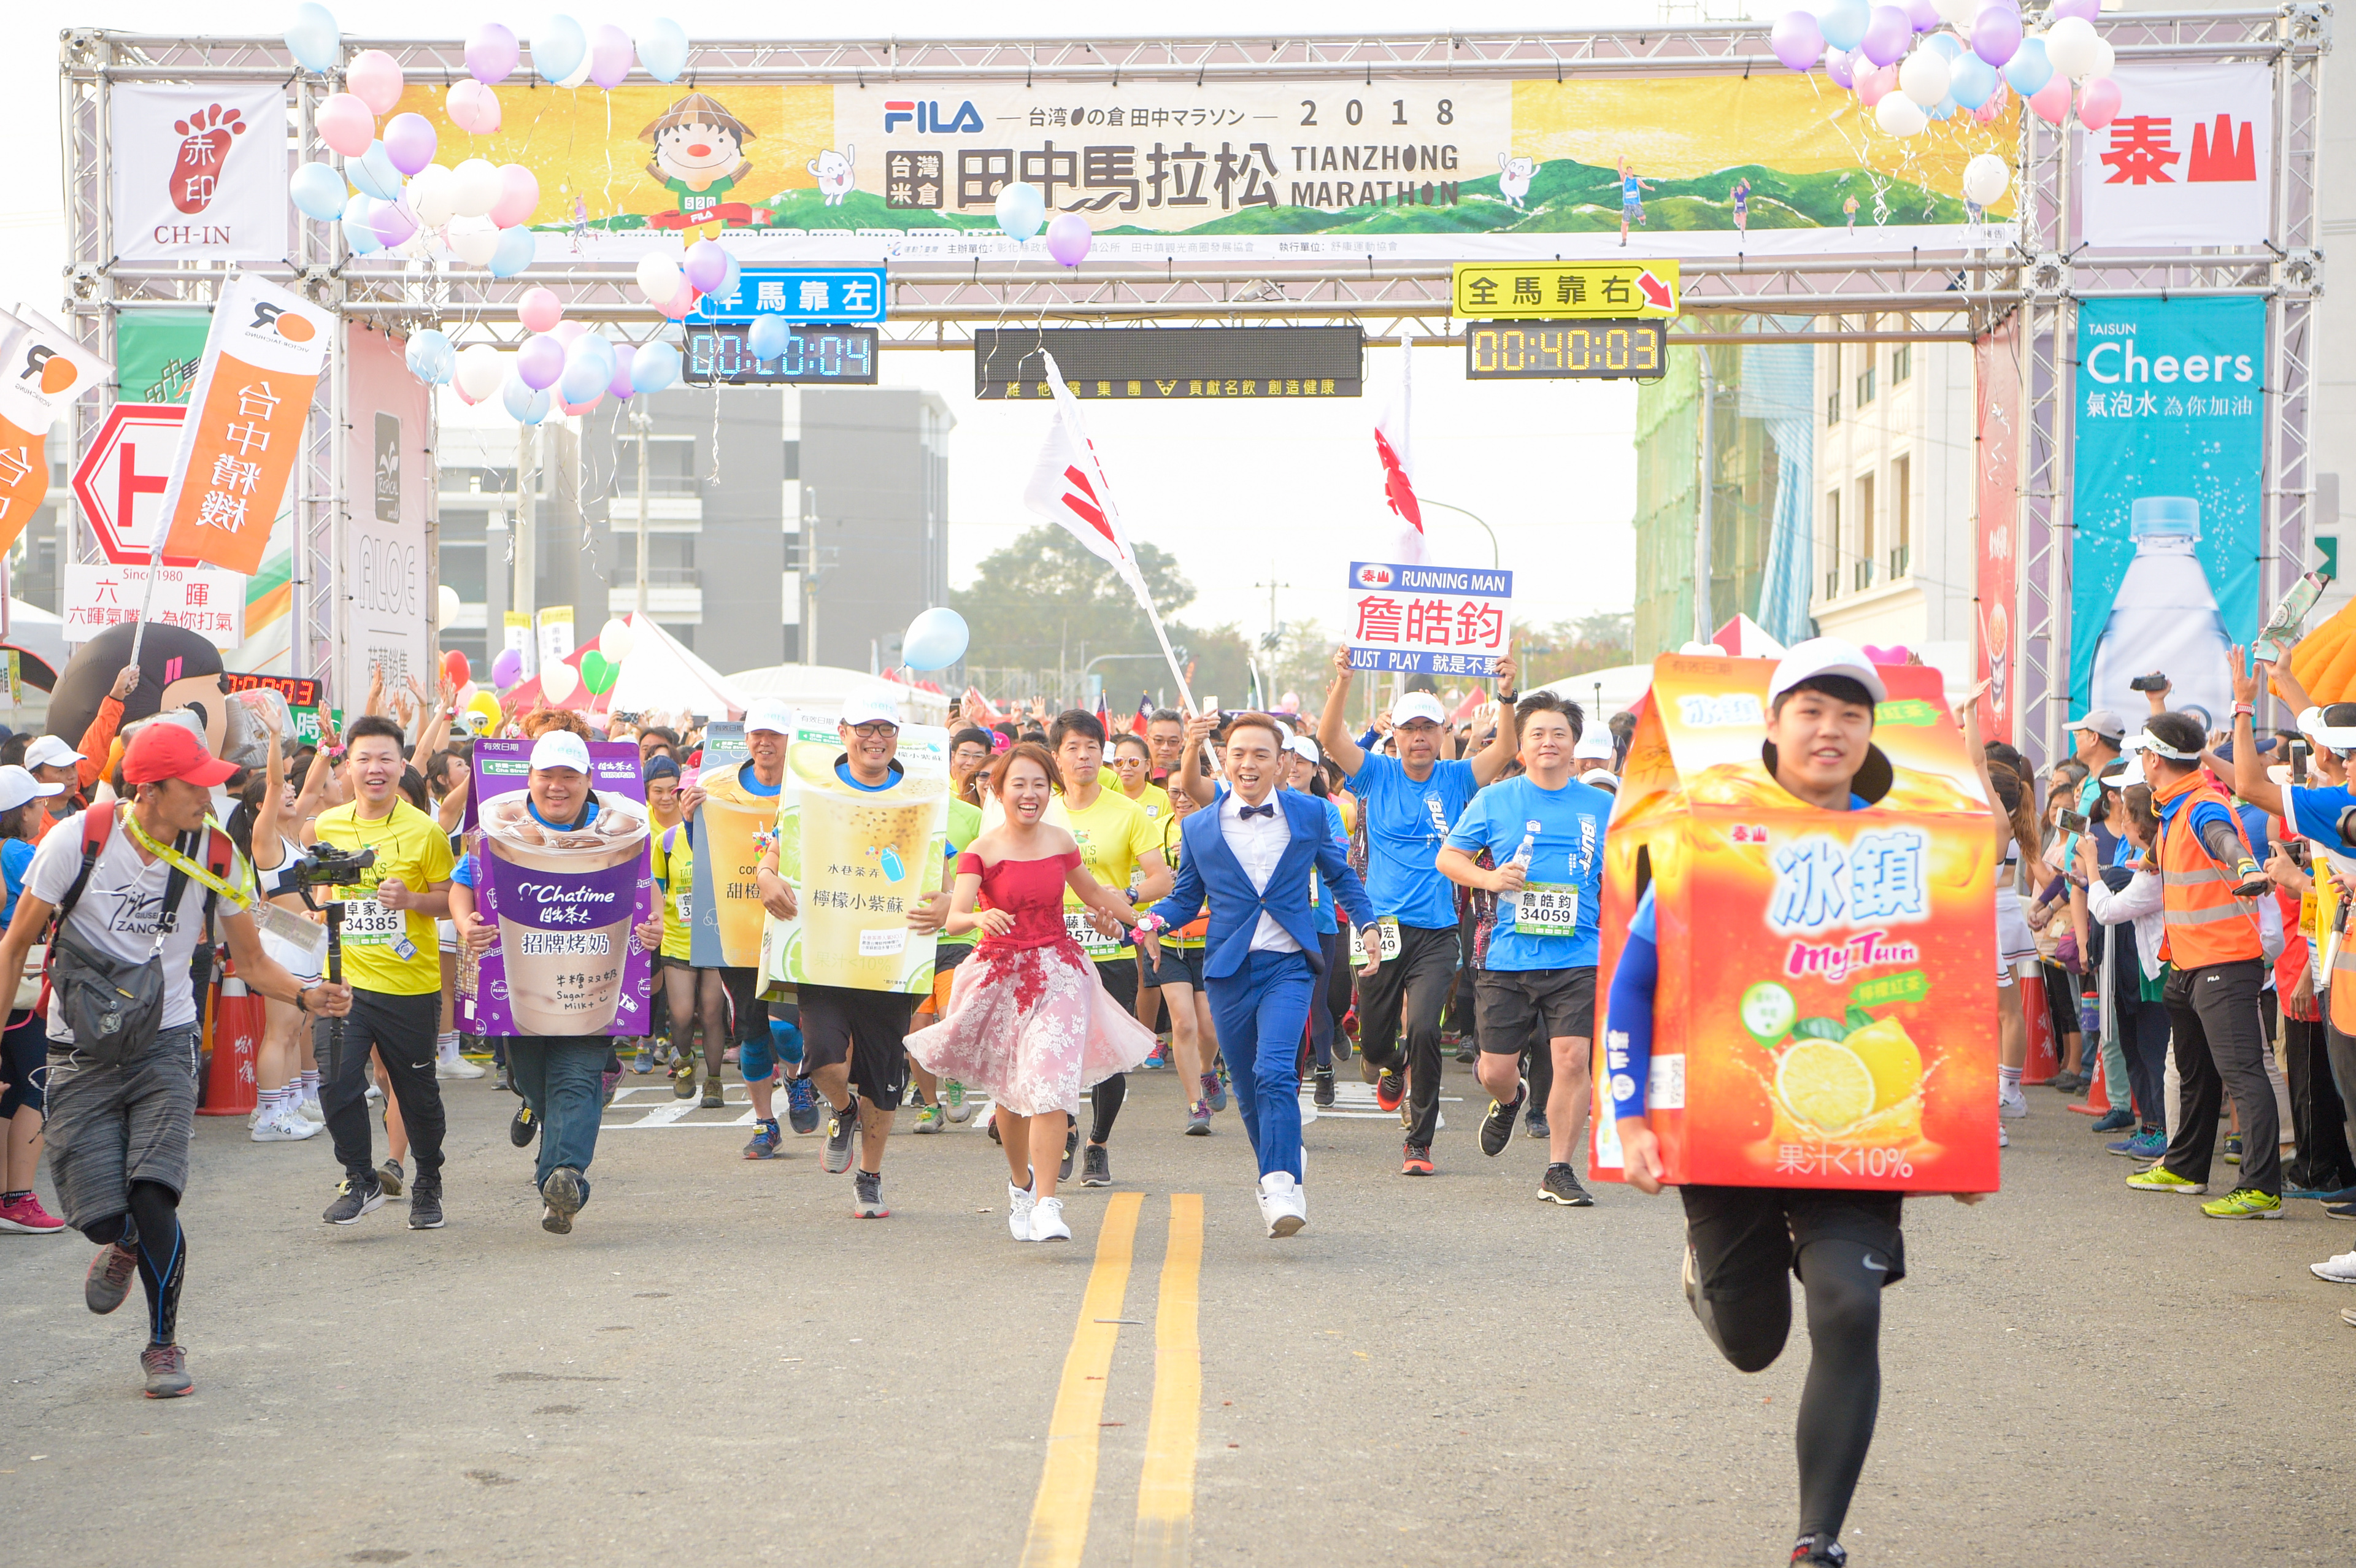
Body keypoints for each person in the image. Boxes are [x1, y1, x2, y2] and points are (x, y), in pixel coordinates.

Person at [1608, 640, 1982, 1568]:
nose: (1831, 729)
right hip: (1732, 1124)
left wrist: (1969, 1138)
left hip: (1856, 1132)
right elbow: (1632, 981)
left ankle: (1818, 1539)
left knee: (1850, 1309)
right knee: (1752, 1345)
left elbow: (1958, 990)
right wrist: (1628, 1116)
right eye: (1810, 711)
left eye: (1851, 714)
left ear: (1869, 732)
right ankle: (1710, 1264)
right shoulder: (1708, 833)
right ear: (1771, 726)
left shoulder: (1918, 846)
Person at [0, 722, 350, 1396]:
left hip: (167, 1038)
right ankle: (121, 1239)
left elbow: (250, 960)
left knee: (154, 1193)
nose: (212, 796)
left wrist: (309, 993)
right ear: (151, 789)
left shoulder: (215, 853)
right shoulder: (76, 840)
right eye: (198, 786)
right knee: (99, 1213)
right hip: (78, 1044)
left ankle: (163, 1344)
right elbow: (16, 943)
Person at [906, 743, 1161, 1242]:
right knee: (1011, 1091)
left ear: (1052, 790)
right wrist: (978, 916)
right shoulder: (981, 852)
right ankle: (1020, 1185)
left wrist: (1144, 925)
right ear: (998, 792)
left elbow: (1095, 895)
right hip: (1000, 977)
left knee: (1050, 1083)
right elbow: (956, 916)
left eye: (1040, 785)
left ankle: (1048, 1202)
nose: (1030, 794)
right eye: (1018, 785)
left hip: (1059, 972)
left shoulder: (1061, 842)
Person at [1141, 714, 1379, 1237]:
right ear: (1224, 760)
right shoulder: (1199, 826)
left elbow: (1341, 875)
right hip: (1228, 970)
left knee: (1276, 1073)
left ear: (1284, 763)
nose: (1249, 764)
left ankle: (1280, 1184)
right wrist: (1152, 922)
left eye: (1261, 755)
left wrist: (1367, 925)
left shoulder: (1312, 814)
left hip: (1290, 965)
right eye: (1239, 754)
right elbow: (1186, 899)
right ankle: (1279, 1160)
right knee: (1247, 1090)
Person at [451, 730, 664, 1235]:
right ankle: (539, 1123)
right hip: (520, 988)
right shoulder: (501, 825)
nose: (557, 786)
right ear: (530, 778)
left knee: (575, 1079)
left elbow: (647, 885)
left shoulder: (621, 827)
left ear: (588, 780)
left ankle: (564, 1181)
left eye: (569, 776)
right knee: (532, 1081)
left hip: (594, 983)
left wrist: (653, 924)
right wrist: (465, 926)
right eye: (547, 775)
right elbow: (465, 882)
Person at [1315, 646, 1519, 1175]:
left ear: (1444, 732)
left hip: (1437, 932)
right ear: (1396, 736)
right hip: (1379, 930)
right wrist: (1343, 680)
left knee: (1427, 1028)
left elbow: (1504, 752)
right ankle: (1386, 1063)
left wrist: (1506, 695)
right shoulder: (1377, 773)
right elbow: (1330, 740)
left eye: (1430, 727)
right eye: (1411, 729)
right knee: (1380, 1042)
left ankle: (1419, 1143)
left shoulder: (1456, 779)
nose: (1420, 737)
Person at [750, 694, 927, 1218]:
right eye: (865, 729)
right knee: (823, 1059)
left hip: (891, 959)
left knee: (884, 1079)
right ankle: (843, 1111)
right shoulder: (812, 789)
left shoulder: (920, 794)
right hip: (824, 954)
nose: (876, 739)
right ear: (843, 731)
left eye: (887, 730)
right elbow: (778, 852)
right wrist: (764, 877)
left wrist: (944, 900)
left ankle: (870, 1177)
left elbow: (945, 867)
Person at [1437, 692, 1612, 1207]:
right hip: (1507, 954)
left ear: (1575, 744)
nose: (1549, 742)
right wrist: (1489, 878)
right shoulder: (1495, 799)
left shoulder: (1603, 806)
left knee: (1573, 1059)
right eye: (1537, 734)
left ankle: (1558, 1169)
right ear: (1522, 746)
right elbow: (1450, 858)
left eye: (1559, 733)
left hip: (1580, 953)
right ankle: (1512, 1099)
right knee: (1494, 1069)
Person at [2124, 674, 2280, 1219]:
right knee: (2196, 1074)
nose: (2142, 759)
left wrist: (2246, 866)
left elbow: (2224, 840)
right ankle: (2187, 1169)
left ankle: (2261, 1188)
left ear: (2156, 761)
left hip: (2223, 962)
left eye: (2145, 752)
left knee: (2242, 1074)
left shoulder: (2200, 805)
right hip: (2188, 964)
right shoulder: (2173, 807)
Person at [310, 715, 458, 1229]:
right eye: (364, 759)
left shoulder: (426, 832)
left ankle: (428, 1184)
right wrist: (320, 905)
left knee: (416, 1095)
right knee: (334, 1082)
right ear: (348, 766)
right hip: (347, 984)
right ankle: (361, 1178)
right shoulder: (329, 825)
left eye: (385, 759)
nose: (375, 769)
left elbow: (450, 900)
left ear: (401, 766)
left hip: (410, 986)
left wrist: (412, 898)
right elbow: (326, 888)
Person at [1046, 709, 1173, 1188]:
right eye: (1073, 748)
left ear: (1104, 755)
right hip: (1052, 949)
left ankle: (1097, 1143)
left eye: (1092, 748)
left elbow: (1161, 877)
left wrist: (1129, 898)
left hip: (1110, 947)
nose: (1083, 757)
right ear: (1057, 757)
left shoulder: (1127, 811)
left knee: (1107, 1055)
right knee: (1057, 1050)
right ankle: (1067, 1131)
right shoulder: (1045, 808)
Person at [907, 727, 992, 1132]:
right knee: (916, 1030)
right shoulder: (895, 814)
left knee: (948, 1017)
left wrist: (957, 901)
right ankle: (929, 1103)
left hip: (957, 937)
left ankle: (955, 1078)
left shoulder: (972, 818)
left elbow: (990, 881)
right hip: (910, 938)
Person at [0, 764, 66, 1231]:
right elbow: (63, 901)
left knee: (7, 1088)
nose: (42, 811)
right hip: (19, 986)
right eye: (37, 804)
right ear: (21, 812)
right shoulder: (23, 854)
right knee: (35, 1083)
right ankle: (18, 1198)